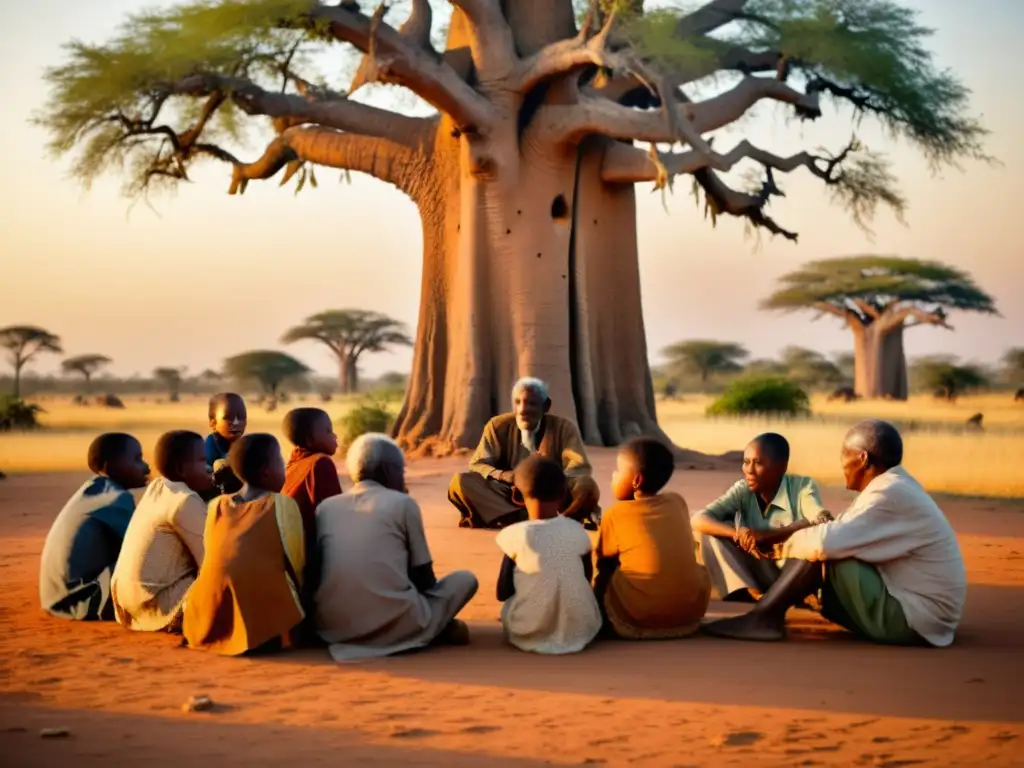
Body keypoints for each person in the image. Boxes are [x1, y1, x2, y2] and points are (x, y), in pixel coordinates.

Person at [704, 420, 967, 647]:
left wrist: (776, 542)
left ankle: (764, 618)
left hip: (913, 621)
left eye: (845, 454)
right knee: (824, 543)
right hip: (922, 619)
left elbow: (824, 541)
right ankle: (767, 613)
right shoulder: (894, 487)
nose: (842, 463)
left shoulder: (889, 493)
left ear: (862, 458)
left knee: (824, 551)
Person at [315, 433, 479, 662]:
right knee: (465, 579)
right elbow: (424, 579)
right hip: (396, 625)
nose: (403, 480)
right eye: (401, 472)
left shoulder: (326, 507)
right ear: (389, 471)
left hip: (334, 628)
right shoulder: (403, 504)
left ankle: (430, 624)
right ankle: (429, 629)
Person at [183, 433, 307, 655]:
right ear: (266, 471)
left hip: (209, 616)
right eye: (280, 461)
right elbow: (297, 564)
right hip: (264, 625)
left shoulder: (216, 505)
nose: (284, 467)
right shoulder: (281, 504)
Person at [691, 433, 830, 601]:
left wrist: (773, 536)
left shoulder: (802, 487)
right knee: (711, 532)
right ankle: (745, 592)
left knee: (813, 534)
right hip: (759, 571)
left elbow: (821, 520)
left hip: (792, 573)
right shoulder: (742, 490)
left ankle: (794, 597)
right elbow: (699, 519)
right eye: (746, 462)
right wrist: (737, 534)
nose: (749, 470)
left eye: (758, 463)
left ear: (781, 467)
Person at [594, 438, 711, 640]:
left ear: (636, 481)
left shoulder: (616, 514)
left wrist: (597, 607)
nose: (613, 476)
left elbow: (604, 565)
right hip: (689, 615)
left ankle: (602, 619)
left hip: (638, 618)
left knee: (604, 567)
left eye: (617, 471)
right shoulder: (677, 502)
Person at [448, 377, 600, 529]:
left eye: (531, 403)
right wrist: (504, 475)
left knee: (586, 485)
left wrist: (546, 482)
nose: (523, 410)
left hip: (552, 496)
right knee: (460, 482)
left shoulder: (564, 427)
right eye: (518, 402)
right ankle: (536, 518)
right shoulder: (497, 426)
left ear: (546, 406)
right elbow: (477, 464)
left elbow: (578, 469)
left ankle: (548, 516)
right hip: (509, 494)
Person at [496, 455, 601, 654]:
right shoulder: (578, 531)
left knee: (509, 606)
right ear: (564, 496)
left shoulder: (515, 535)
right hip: (580, 630)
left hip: (526, 633)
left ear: (516, 496)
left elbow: (502, 592)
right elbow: (586, 580)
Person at [39, 433, 150, 620]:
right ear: (110, 466)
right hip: (79, 601)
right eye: (137, 459)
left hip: (55, 597)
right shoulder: (115, 498)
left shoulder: (94, 491)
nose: (146, 467)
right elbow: (141, 549)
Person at [111, 430, 211, 632]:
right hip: (160, 606)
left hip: (127, 605)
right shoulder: (184, 500)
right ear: (182, 469)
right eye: (202, 461)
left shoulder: (158, 487)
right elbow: (212, 562)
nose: (209, 468)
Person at [204, 392, 247, 498]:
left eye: (241, 417)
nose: (236, 423)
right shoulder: (211, 444)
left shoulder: (244, 444)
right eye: (229, 418)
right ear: (213, 423)